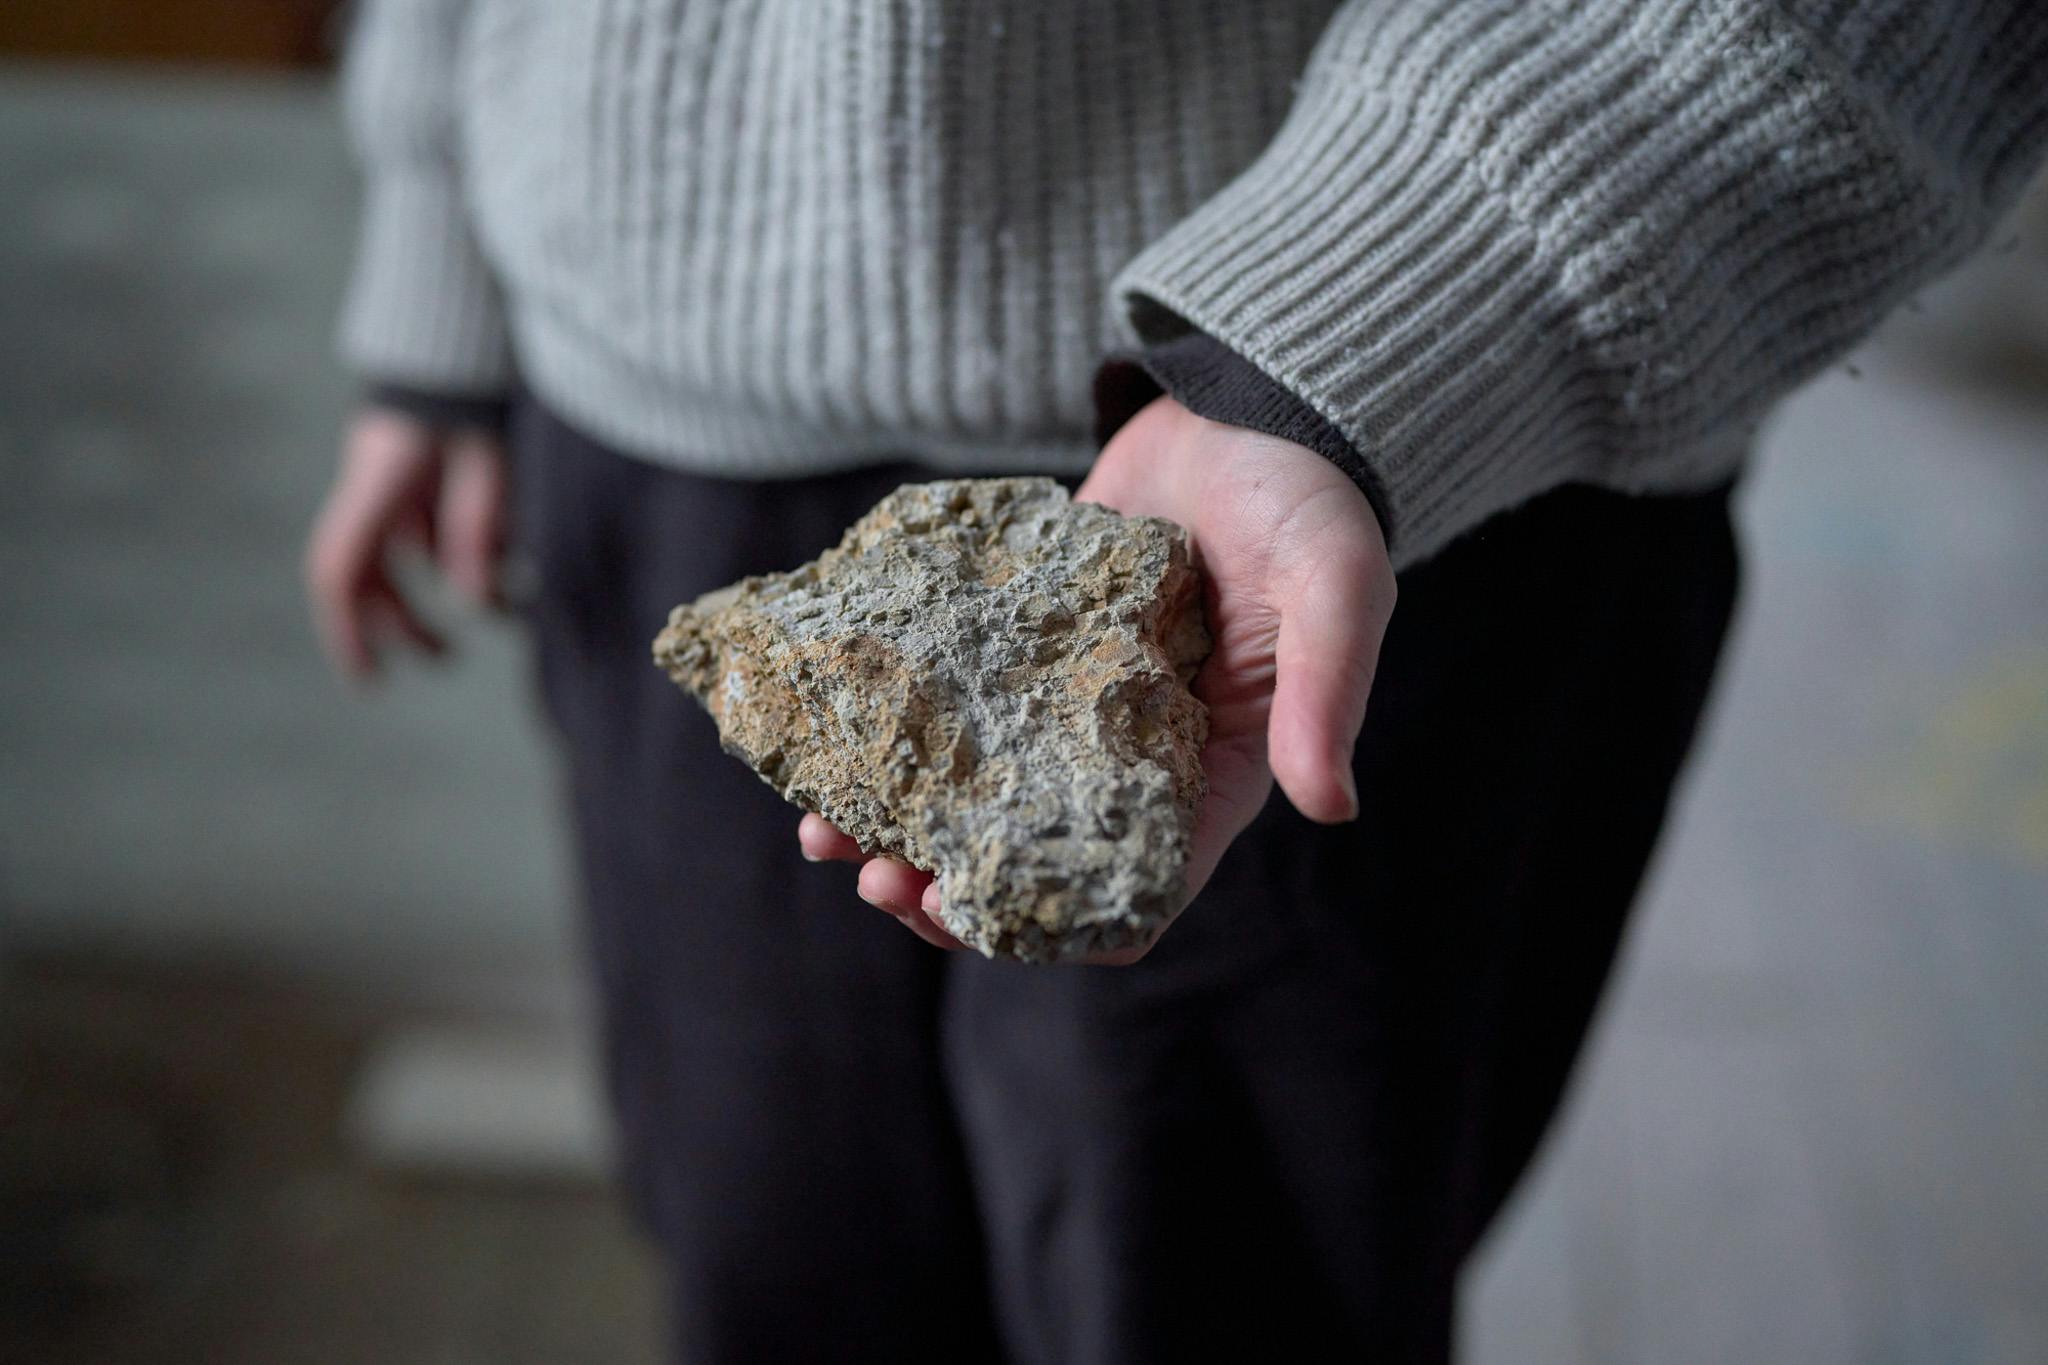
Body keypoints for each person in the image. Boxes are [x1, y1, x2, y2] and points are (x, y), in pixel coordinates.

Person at [306, 3, 2048, 1359]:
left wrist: (1386, 313)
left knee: (1227, 1299)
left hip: (1401, 440)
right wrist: (437, 231)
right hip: (659, 393)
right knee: (776, 1266)